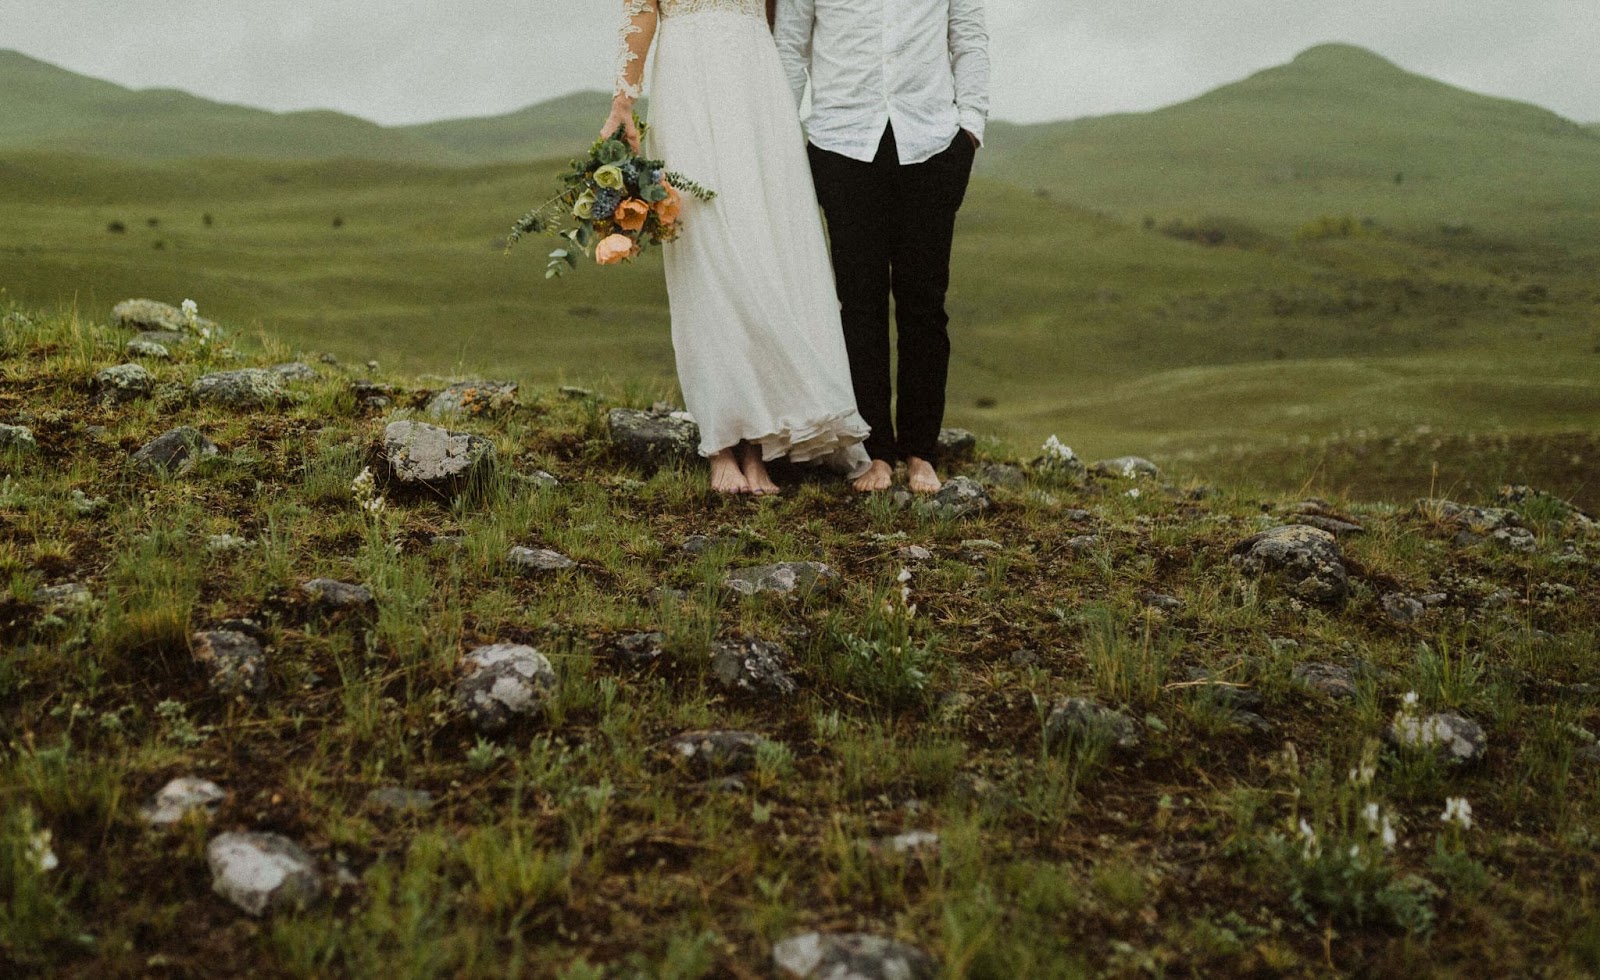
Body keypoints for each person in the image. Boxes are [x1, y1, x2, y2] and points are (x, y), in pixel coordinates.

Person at [601, 0, 871, 495]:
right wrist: (624, 102)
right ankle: (723, 441)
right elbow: (641, 12)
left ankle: (762, 437)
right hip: (689, 79)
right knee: (706, 247)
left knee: (766, 238)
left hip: (755, 81)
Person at [774, 0, 989, 493]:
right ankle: (874, 453)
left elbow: (969, 38)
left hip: (932, 143)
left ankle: (920, 452)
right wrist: (786, 136)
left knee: (924, 305)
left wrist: (970, 127)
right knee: (859, 303)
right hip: (841, 144)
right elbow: (791, 46)